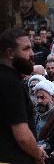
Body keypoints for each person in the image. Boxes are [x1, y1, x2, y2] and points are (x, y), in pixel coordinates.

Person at [0, 28, 47, 163]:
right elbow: (22, 136)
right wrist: (38, 154)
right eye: (26, 49)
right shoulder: (10, 83)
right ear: (10, 53)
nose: (32, 54)